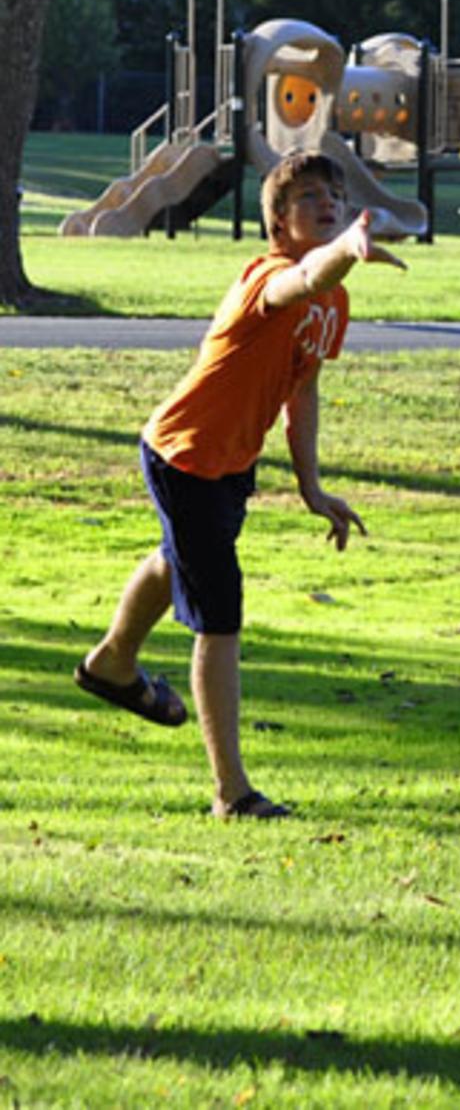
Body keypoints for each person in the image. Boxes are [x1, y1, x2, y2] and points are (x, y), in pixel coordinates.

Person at [73, 150, 406, 819]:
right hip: (184, 456)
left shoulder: (332, 302)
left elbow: (302, 387)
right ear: (279, 224)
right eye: (310, 195)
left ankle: (111, 664)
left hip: (228, 465)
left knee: (179, 560)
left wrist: (312, 488)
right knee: (220, 616)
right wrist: (348, 246)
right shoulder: (269, 277)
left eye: (335, 195)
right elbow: (305, 278)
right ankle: (232, 793)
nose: (327, 202)